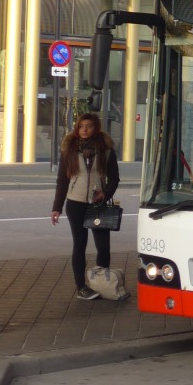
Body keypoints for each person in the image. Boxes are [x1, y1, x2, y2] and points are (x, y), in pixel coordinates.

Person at [51, 113, 120, 300]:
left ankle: (102, 283)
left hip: (98, 204)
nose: (84, 130)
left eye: (88, 126)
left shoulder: (106, 149)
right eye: (81, 126)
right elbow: (62, 181)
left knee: (103, 247)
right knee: (79, 246)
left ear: (95, 127)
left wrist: (105, 193)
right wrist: (56, 207)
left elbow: (114, 178)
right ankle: (81, 287)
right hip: (76, 203)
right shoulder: (70, 149)